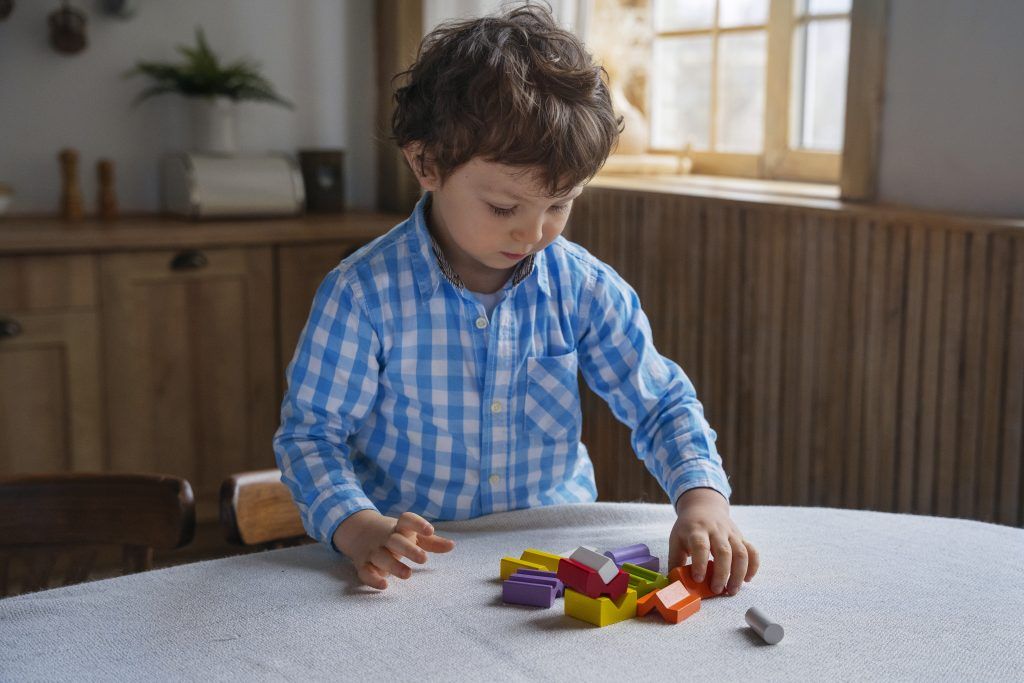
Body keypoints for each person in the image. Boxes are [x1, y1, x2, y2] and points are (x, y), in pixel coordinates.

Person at [273, 3, 759, 593]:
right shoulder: (362, 294)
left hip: (556, 555)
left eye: (560, 205)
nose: (532, 234)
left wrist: (701, 497)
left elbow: (658, 403)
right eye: (504, 208)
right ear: (426, 162)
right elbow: (311, 435)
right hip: (415, 563)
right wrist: (357, 528)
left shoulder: (583, 286)